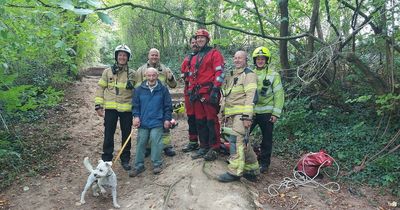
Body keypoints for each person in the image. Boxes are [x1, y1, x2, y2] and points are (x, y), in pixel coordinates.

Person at [217, 50, 259, 182]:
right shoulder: (231, 75)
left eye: (240, 58)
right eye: (235, 58)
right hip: (232, 114)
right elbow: (226, 95)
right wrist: (223, 113)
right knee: (244, 142)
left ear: (246, 60)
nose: (237, 60)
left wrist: (247, 117)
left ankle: (235, 172)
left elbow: (251, 97)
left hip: (242, 115)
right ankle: (252, 169)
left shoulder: (249, 75)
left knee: (236, 141)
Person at [94, 44, 136, 171]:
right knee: (108, 133)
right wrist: (98, 105)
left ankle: (125, 159)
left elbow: (138, 91)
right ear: (116, 57)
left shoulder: (133, 74)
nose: (122, 57)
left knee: (126, 134)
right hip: (111, 108)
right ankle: (106, 159)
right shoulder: (107, 72)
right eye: (120, 55)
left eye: (124, 55)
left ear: (128, 58)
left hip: (127, 109)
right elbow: (100, 88)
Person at [188, 28, 225, 161]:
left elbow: (220, 73)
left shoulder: (214, 54)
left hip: (209, 92)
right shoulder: (195, 57)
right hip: (197, 93)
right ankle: (203, 146)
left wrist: (216, 90)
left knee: (211, 120)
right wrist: (191, 90)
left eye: (202, 38)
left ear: (207, 39)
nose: (199, 40)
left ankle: (214, 147)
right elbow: (192, 76)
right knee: (200, 121)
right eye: (197, 38)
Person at [129, 67, 172, 176]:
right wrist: (136, 116)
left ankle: (157, 164)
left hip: (157, 121)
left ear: (157, 76)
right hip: (143, 122)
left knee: (155, 140)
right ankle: (139, 165)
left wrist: (167, 119)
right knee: (141, 141)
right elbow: (135, 106)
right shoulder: (138, 90)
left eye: (154, 75)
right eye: (149, 75)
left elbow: (168, 106)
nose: (151, 78)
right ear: (145, 76)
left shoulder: (163, 89)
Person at [136, 48, 177, 157]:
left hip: (161, 101)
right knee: (147, 126)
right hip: (147, 102)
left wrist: (171, 78)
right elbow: (137, 88)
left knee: (165, 126)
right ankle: (148, 148)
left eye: (156, 55)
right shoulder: (141, 70)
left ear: (159, 57)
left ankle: (167, 146)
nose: (154, 57)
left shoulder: (164, 69)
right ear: (148, 56)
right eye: (152, 55)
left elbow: (173, 85)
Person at [250, 46, 285, 173]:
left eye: (262, 59)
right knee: (243, 135)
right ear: (255, 60)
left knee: (267, 139)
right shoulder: (249, 73)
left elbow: (279, 95)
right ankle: (244, 159)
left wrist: (276, 113)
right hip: (251, 112)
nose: (260, 61)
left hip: (267, 113)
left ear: (266, 60)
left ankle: (264, 164)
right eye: (258, 59)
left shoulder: (273, 75)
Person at [181, 35, 200, 152]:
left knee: (202, 119)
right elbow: (183, 73)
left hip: (201, 92)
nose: (194, 44)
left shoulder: (205, 56)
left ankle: (205, 143)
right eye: (192, 42)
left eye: (195, 42)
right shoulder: (187, 58)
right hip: (189, 92)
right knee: (191, 118)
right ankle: (193, 142)